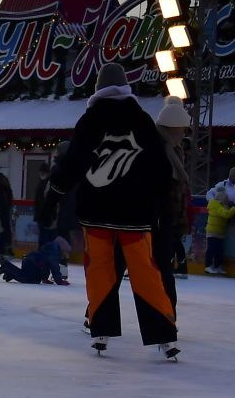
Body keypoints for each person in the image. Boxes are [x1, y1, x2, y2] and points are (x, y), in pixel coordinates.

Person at [41, 65, 179, 359]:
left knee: (100, 269)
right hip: (135, 215)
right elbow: (162, 171)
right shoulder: (142, 121)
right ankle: (164, 335)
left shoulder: (91, 120)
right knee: (145, 271)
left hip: (97, 212)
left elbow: (74, 162)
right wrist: (157, 204)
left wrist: (53, 195)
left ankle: (100, 330)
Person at [151, 97, 193, 305]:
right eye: (182, 129)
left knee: (163, 271)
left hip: (165, 219)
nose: (184, 134)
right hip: (151, 221)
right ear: (173, 127)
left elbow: (179, 190)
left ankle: (168, 319)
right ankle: (96, 316)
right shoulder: (158, 147)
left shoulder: (175, 149)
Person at [0, 234, 71, 285]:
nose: (66, 256)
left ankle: (10, 273)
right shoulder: (55, 252)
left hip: (32, 262)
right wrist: (59, 281)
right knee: (27, 279)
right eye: (66, 253)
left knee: (35, 280)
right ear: (63, 249)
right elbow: (54, 267)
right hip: (32, 263)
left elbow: (46, 264)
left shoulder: (51, 248)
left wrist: (44, 278)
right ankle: (6, 265)